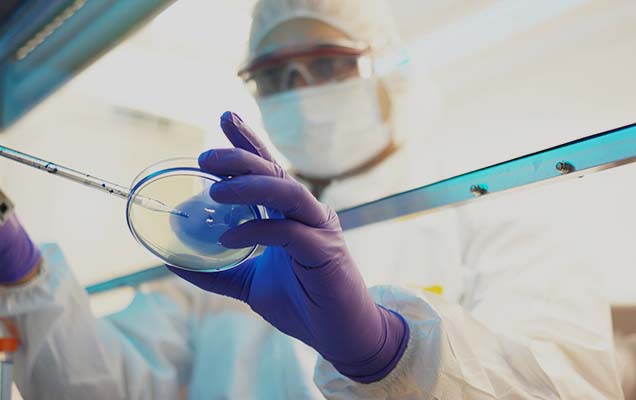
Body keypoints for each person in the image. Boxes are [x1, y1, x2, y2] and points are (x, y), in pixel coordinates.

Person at [0, 0, 625, 398]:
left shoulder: (492, 204)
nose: (298, 90)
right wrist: (26, 273)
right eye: (274, 76)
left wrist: (391, 352)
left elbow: (572, 384)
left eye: (326, 65)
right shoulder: (231, 231)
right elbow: (107, 387)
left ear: (387, 72)